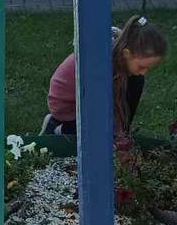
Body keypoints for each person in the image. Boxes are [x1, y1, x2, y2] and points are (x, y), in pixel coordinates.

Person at [41, 15, 168, 143]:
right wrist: (113, 134)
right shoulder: (101, 64)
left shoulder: (119, 58)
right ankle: (60, 128)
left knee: (136, 81)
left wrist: (120, 132)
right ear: (126, 53)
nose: (144, 72)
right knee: (98, 131)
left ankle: (121, 134)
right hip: (68, 105)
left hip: (88, 97)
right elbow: (99, 107)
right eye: (141, 66)